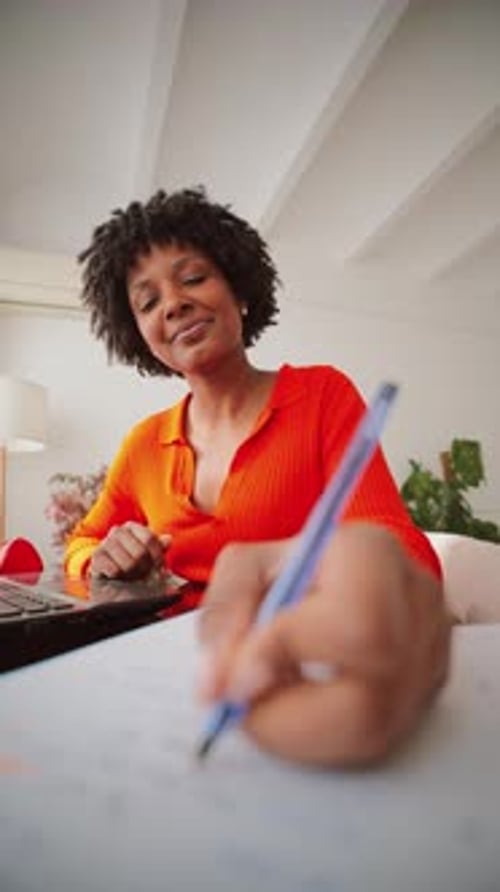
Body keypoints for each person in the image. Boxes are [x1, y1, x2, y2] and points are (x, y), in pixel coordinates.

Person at [66, 186, 450, 762]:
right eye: (147, 301)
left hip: (292, 668)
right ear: (140, 335)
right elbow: (81, 543)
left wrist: (335, 575)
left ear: (239, 289)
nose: (172, 303)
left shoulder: (322, 395)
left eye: (193, 278)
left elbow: (399, 549)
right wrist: (102, 558)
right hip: (160, 679)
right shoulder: (143, 444)